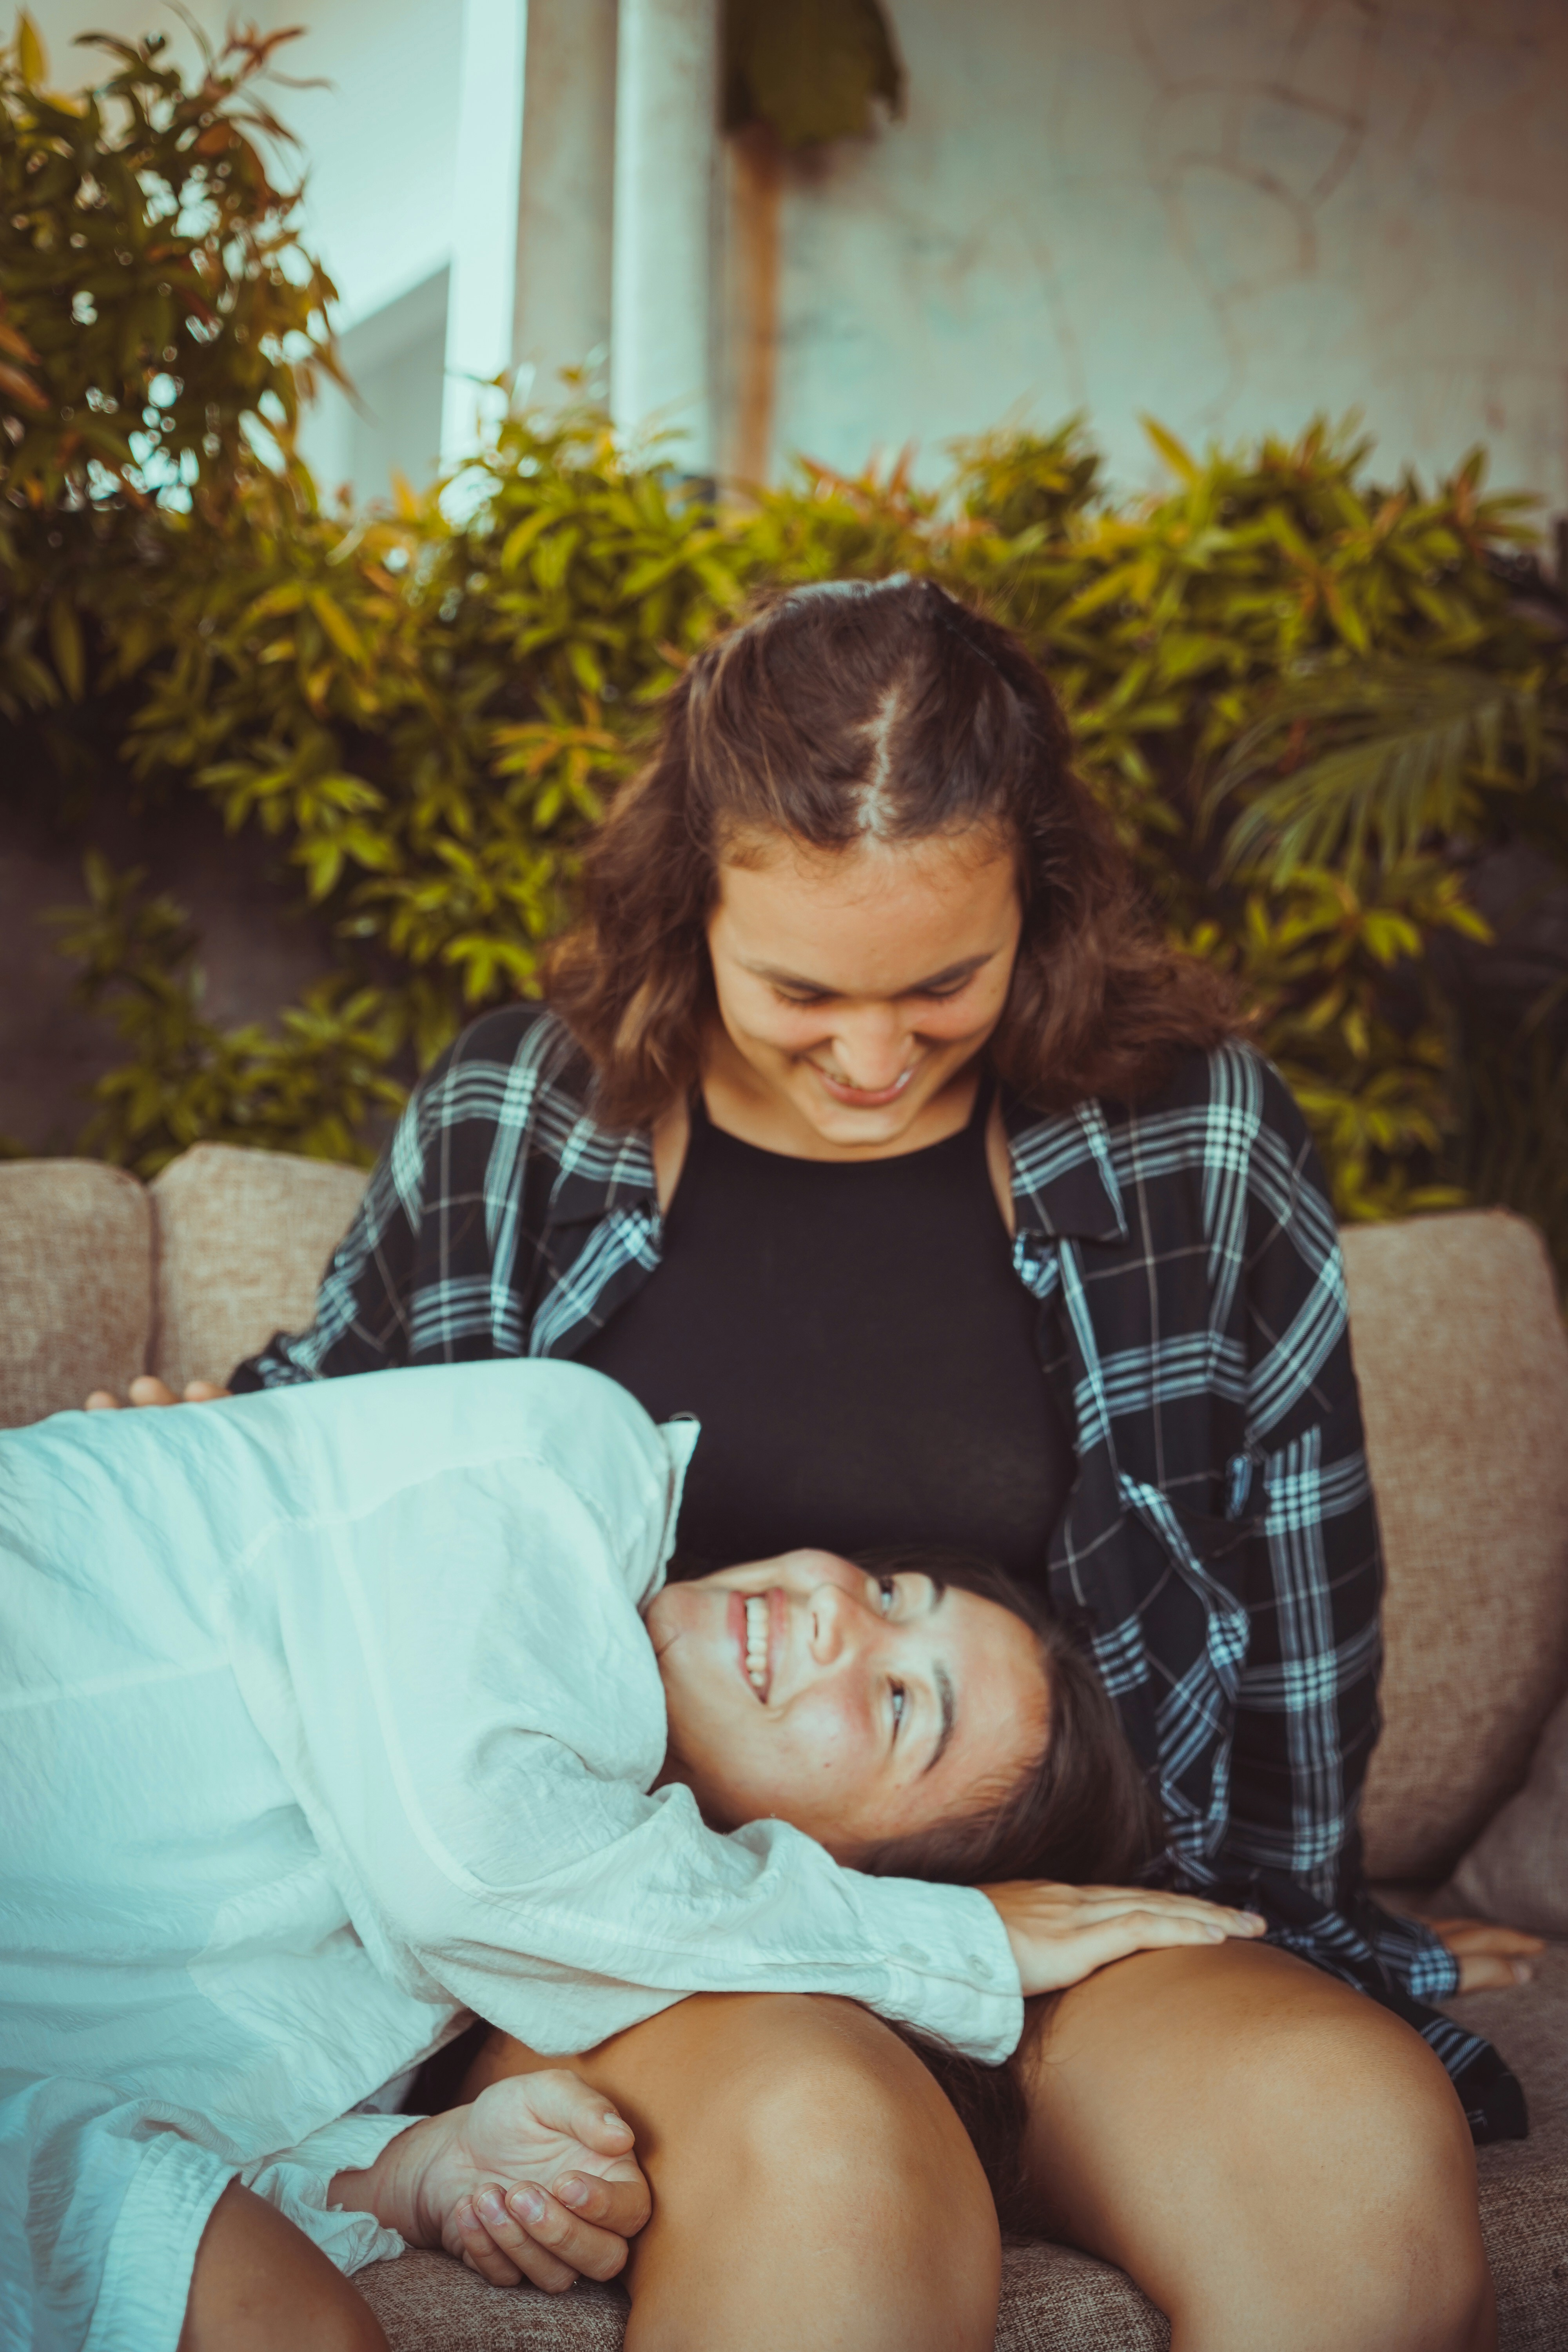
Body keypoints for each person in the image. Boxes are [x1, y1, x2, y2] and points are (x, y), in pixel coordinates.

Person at [93, 576, 1541, 2351]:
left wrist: (1312, 1922)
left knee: (1347, 2149)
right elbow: (344, 1451)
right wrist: (190, 1446)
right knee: (827, 2147)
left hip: (1056, 1890)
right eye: (800, 992)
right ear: (687, 901)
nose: (871, 1058)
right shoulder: (518, 1124)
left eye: (945, 981)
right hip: (637, 1930)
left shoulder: (1199, 1146)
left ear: (1044, 899)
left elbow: (1306, 1605)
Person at [1, 1356, 1257, 2352]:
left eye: (895, 1708)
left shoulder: (472, 1982)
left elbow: (151, 2101)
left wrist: (420, 2176)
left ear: (831, 1855)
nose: (835, 1611)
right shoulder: (577, 1457)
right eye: (891, 1594)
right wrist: (950, 1940)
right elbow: (476, 1861)